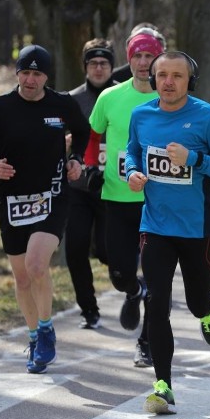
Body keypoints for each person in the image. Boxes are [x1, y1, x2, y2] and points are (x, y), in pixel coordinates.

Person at [125, 51, 210, 415]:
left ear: (190, 79)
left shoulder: (206, 116)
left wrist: (195, 160)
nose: (169, 82)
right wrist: (131, 173)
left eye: (177, 75)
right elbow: (131, 152)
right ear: (153, 78)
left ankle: (207, 309)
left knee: (195, 301)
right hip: (155, 225)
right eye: (162, 75)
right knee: (156, 302)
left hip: (197, 228)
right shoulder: (141, 115)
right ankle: (163, 386)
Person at [0, 45, 89, 374]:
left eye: (38, 73)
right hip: (12, 201)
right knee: (22, 279)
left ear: (47, 76)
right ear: (17, 73)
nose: (31, 79)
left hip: (52, 196)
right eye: (25, 72)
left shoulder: (61, 104)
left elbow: (83, 132)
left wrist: (76, 159)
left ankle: (47, 329)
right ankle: (34, 335)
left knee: (37, 266)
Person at [86, 31, 164, 367]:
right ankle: (133, 291)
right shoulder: (110, 97)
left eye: (150, 57)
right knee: (119, 272)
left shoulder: (171, 97)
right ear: (128, 60)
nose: (144, 63)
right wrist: (90, 167)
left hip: (158, 203)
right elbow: (93, 137)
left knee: (157, 276)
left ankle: (146, 343)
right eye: (138, 56)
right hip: (117, 200)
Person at [65, 39, 116, 329]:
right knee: (75, 249)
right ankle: (89, 309)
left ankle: (128, 283)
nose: (98, 68)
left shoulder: (122, 96)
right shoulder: (71, 100)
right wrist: (65, 143)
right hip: (78, 189)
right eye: (93, 63)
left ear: (111, 66)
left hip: (111, 188)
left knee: (107, 252)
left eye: (104, 63)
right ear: (85, 67)